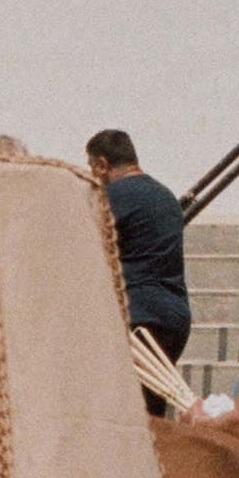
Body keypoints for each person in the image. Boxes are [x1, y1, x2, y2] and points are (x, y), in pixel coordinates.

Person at [87, 128, 193, 364]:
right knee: (151, 400)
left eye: (91, 167)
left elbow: (81, 244)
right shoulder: (166, 196)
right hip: (174, 318)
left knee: (124, 399)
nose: (92, 175)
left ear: (102, 164)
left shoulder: (112, 196)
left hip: (138, 316)